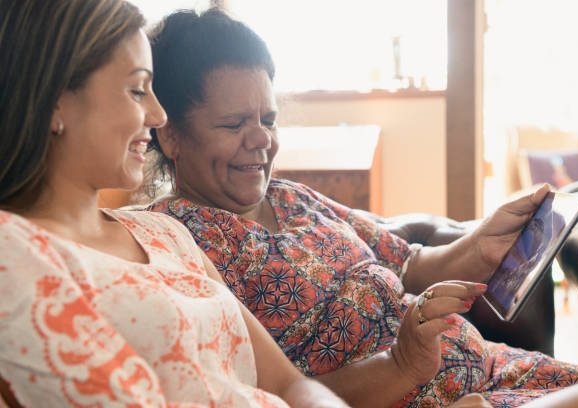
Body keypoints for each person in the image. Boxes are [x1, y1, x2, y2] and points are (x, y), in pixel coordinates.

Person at [143, 8, 578, 408]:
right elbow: (269, 395)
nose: (262, 139)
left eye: (268, 119)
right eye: (234, 123)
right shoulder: (171, 242)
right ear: (170, 134)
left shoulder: (291, 198)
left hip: (494, 369)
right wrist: (401, 364)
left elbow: (408, 264)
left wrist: (481, 243)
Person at [0, 0, 359, 406]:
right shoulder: (17, 252)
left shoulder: (164, 234)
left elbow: (286, 384)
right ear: (54, 102)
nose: (157, 115)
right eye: (137, 89)